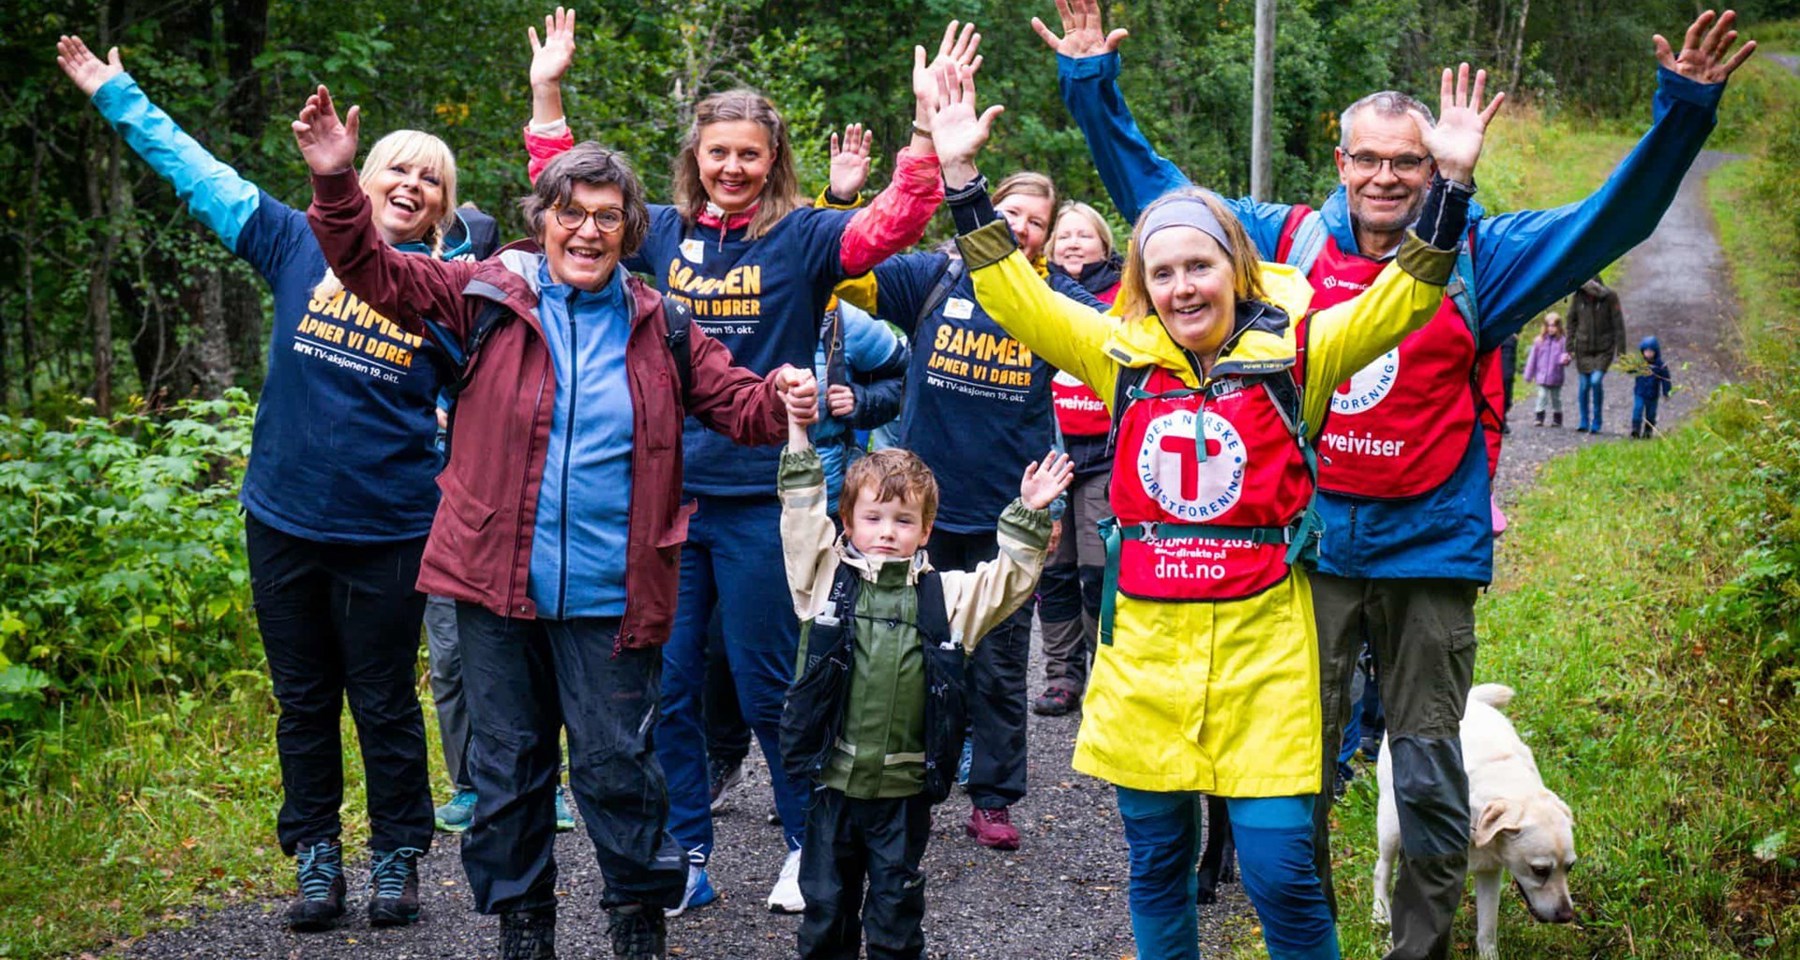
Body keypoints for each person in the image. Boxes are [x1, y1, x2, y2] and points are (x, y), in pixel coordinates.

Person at [1043, 3, 1754, 955]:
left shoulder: (1482, 258)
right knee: (1297, 777)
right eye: (1368, 159)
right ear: (1339, 164)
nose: (1386, 177)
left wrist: (1684, 111)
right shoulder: (1284, 246)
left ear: (1435, 168)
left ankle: (1417, 947)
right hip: (1310, 556)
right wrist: (1093, 87)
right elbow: (1161, 198)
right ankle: (1314, 934)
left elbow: (1608, 224)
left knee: (1425, 769)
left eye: (1408, 162)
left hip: (1427, 550)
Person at [932, 48, 1496, 957]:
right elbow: (1012, 293)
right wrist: (961, 176)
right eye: (1163, 273)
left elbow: (1405, 298)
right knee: (1155, 866)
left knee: (1281, 874)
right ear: (1143, 287)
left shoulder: (1303, 353)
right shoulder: (1117, 355)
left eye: (1200, 265)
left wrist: (1453, 186)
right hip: (1145, 662)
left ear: (1236, 267)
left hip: (1263, 658)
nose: (1183, 286)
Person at [295, 80, 817, 959]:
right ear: (542, 218)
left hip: (615, 595)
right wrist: (340, 187)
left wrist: (789, 396)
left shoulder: (662, 324)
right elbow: (372, 271)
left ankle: (636, 928)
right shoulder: (485, 298)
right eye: (570, 213)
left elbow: (743, 407)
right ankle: (523, 931)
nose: (587, 231)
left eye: (607, 218)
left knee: (620, 772)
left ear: (629, 232)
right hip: (494, 591)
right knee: (506, 778)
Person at [520, 9, 970, 915]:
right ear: (695, 159)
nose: (731, 169)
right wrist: (548, 90)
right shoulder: (655, 236)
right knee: (673, 685)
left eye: (749, 156)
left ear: (774, 162)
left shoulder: (802, 238)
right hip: (664, 497)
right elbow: (564, 194)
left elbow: (888, 225)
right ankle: (688, 847)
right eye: (716, 154)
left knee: (775, 684)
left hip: (773, 497)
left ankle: (808, 842)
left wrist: (926, 130)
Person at [54, 34, 504, 932]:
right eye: (396, 170)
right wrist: (118, 95)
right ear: (363, 178)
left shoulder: (450, 295)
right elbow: (199, 173)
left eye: (430, 180)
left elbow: (498, 400)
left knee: (380, 696)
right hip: (285, 516)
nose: (410, 185)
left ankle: (397, 856)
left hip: (389, 527)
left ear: (442, 209)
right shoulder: (294, 243)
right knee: (303, 696)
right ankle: (316, 855)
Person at [833, 170, 1108, 850]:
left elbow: (1113, 344)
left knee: (997, 666)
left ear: (1046, 239)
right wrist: (843, 201)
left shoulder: (1057, 298)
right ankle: (908, 779)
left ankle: (992, 797)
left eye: (1035, 221)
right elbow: (846, 272)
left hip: (1005, 514)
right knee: (905, 652)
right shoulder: (932, 277)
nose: (1018, 226)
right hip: (917, 513)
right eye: (1009, 211)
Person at [777, 390, 1068, 960]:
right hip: (831, 788)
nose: (887, 530)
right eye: (873, 517)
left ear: (927, 530)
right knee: (825, 917)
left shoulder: (946, 596)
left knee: (895, 921)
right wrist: (798, 434)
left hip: (902, 798)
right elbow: (799, 514)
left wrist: (1031, 512)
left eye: (904, 520)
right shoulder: (820, 580)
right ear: (848, 520)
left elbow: (1007, 581)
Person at [1033, 199, 1122, 718]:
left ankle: (1106, 675)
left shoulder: (1124, 295)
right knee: (1054, 570)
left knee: (1098, 568)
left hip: (1105, 451)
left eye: (1083, 235)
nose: (1071, 243)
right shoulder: (1038, 293)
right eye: (1063, 235)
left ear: (1104, 245)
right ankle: (1062, 675)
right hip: (1049, 451)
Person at [1568, 276, 1629, 434]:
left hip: (1604, 348)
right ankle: (1584, 420)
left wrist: (1621, 353)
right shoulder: (1578, 297)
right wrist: (1569, 347)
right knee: (1583, 385)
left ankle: (1597, 420)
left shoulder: (1610, 297)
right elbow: (1571, 322)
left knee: (1595, 381)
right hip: (1583, 348)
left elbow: (1618, 325)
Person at [1521, 313, 1571, 427]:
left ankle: (1557, 418)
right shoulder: (1539, 341)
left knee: (1556, 398)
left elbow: (1566, 354)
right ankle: (1539, 417)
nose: (1551, 328)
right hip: (1542, 375)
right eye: (1549, 326)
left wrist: (1565, 359)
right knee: (1541, 396)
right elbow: (1532, 359)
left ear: (1559, 327)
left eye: (1554, 326)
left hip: (1556, 375)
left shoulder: (1562, 341)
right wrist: (1528, 375)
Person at [1631, 335, 1673, 437]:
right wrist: (1629, 365)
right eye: (1646, 351)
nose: (1648, 354)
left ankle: (1648, 430)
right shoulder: (1639, 364)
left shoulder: (1660, 366)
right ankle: (1635, 429)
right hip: (1640, 393)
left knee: (1651, 413)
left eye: (1651, 352)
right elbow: (1631, 370)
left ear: (1655, 352)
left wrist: (1667, 392)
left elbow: (1665, 379)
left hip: (1653, 394)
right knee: (1638, 409)